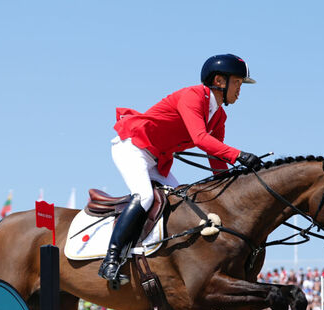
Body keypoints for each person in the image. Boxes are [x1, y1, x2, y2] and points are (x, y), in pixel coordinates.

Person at [98, 54, 263, 288]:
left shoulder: (219, 116)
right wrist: (239, 155)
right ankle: (111, 259)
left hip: (157, 159)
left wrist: (230, 188)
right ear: (219, 80)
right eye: (237, 83)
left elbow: (216, 159)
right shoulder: (193, 96)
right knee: (144, 197)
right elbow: (200, 139)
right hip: (132, 146)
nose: (239, 90)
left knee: (184, 208)